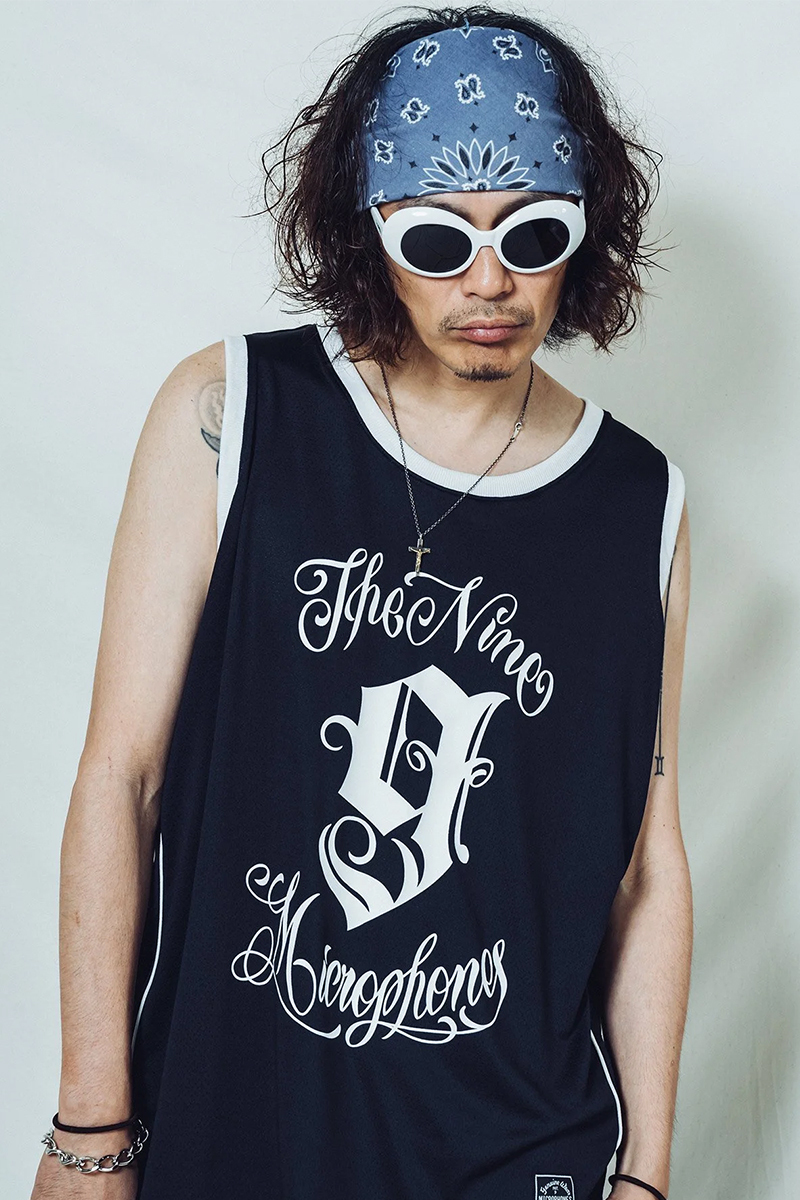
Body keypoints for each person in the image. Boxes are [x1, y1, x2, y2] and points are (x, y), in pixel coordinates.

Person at [31, 8, 693, 1200]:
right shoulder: (231, 412)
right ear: (364, 228)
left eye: (532, 233)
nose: (488, 281)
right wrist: (90, 1127)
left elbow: (643, 867)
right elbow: (120, 778)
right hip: (238, 1118)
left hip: (522, 1149)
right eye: (436, 240)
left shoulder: (638, 501)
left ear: (584, 230)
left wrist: (643, 1176)